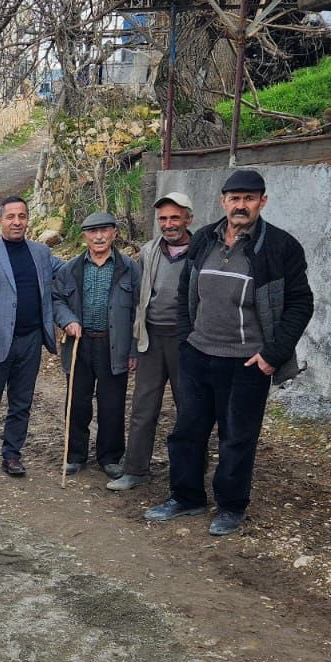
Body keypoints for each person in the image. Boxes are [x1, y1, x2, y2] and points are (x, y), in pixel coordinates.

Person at [145, 169, 314, 536]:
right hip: (198, 354)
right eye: (234, 198)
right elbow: (185, 293)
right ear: (223, 201)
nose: (241, 205)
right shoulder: (204, 238)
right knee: (187, 431)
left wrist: (272, 353)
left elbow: (301, 304)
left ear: (262, 202)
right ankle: (186, 497)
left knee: (237, 436)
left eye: (249, 199)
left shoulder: (281, 247)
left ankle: (231, 506)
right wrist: (187, 338)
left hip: (247, 362)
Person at [109, 193, 195, 492]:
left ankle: (188, 474)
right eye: (163, 219)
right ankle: (135, 469)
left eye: (174, 217)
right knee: (143, 406)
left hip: (187, 342)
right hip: (152, 337)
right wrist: (135, 340)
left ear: (188, 219)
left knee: (190, 408)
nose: (168, 224)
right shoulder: (149, 251)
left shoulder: (202, 251)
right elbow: (139, 298)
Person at [0, 195, 58, 479]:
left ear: (27, 219)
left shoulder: (41, 253)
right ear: (0, 221)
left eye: (21, 216)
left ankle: (12, 455)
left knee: (21, 402)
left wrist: (98, 251)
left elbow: (68, 272)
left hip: (31, 340)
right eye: (10, 217)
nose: (17, 222)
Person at [51, 211, 140, 479]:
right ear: (84, 236)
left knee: (112, 404)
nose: (99, 236)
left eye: (104, 230)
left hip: (115, 346)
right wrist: (68, 320)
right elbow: (56, 300)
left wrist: (134, 350)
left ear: (114, 232)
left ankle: (110, 457)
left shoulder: (130, 268)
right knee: (77, 402)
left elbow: (139, 310)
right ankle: (75, 455)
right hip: (80, 344)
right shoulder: (70, 269)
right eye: (92, 231)